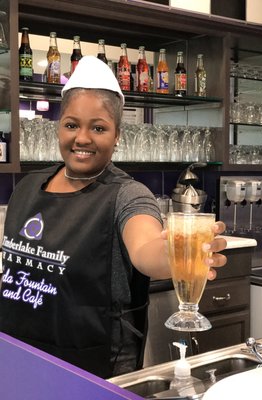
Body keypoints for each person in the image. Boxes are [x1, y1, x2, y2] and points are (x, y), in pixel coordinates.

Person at [0, 56, 227, 379]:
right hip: (17, 357)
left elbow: (146, 249)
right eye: (71, 125)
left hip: (92, 369)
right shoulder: (27, 187)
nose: (82, 138)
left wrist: (179, 255)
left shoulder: (127, 195)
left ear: (117, 135)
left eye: (99, 128)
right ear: (58, 127)